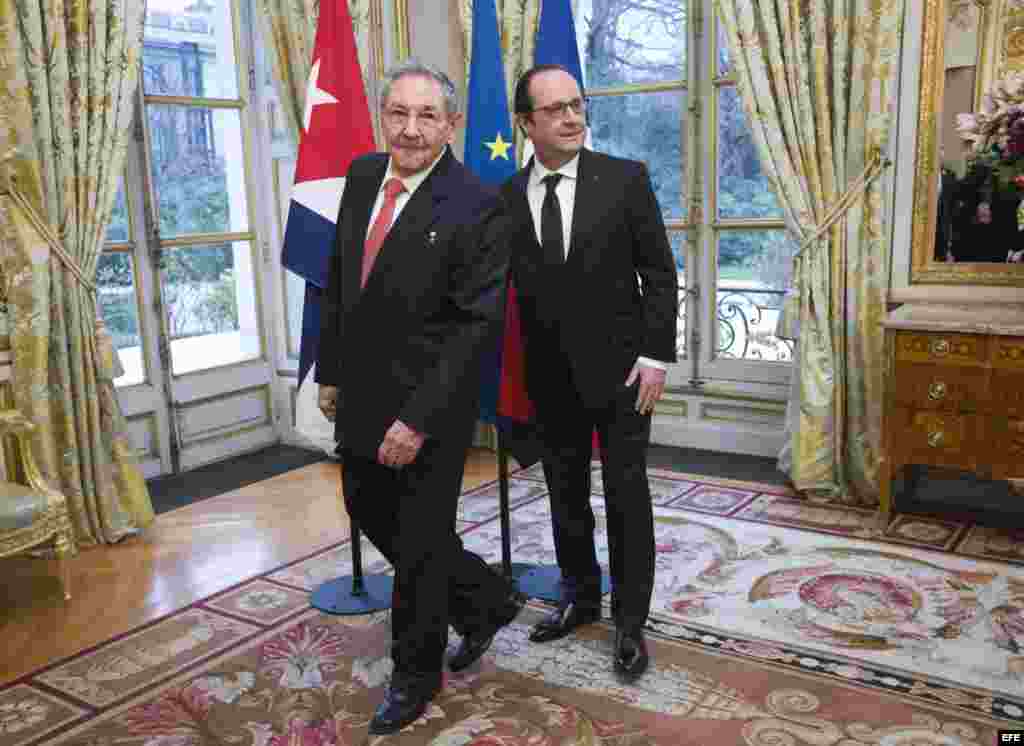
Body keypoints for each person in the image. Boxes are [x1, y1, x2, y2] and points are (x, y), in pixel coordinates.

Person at [316, 59, 523, 735]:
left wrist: (417, 419)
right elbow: (341, 278)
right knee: (366, 505)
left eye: (427, 115)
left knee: (420, 540)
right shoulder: (359, 176)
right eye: (399, 113)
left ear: (452, 123)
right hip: (361, 394)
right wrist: (330, 371)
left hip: (430, 406)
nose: (410, 129)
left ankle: (415, 674)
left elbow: (473, 327)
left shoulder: (476, 202)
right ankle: (487, 598)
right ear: (384, 117)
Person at [499, 64, 678, 681]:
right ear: (526, 123)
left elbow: (659, 273)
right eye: (554, 109)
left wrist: (655, 356)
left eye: (576, 105)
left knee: (627, 499)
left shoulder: (625, 180)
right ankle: (580, 596)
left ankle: (630, 622)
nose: (572, 117)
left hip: (625, 375)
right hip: (549, 379)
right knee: (565, 496)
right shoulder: (506, 195)